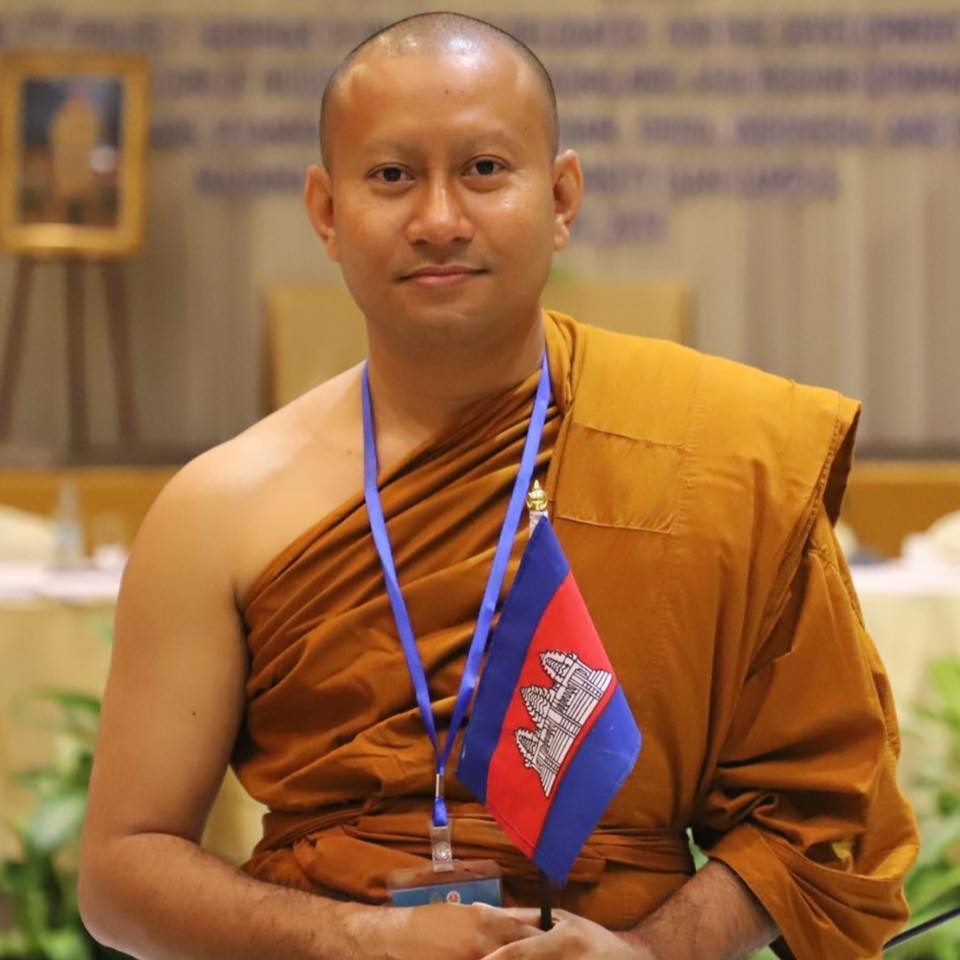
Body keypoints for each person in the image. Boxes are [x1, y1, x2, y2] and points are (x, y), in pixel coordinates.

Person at [78, 12, 918, 959]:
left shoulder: (722, 456)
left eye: (483, 169)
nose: (439, 220)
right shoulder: (219, 510)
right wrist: (355, 940)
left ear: (561, 197)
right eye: (391, 176)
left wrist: (652, 951)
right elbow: (123, 869)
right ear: (326, 211)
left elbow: (812, 814)